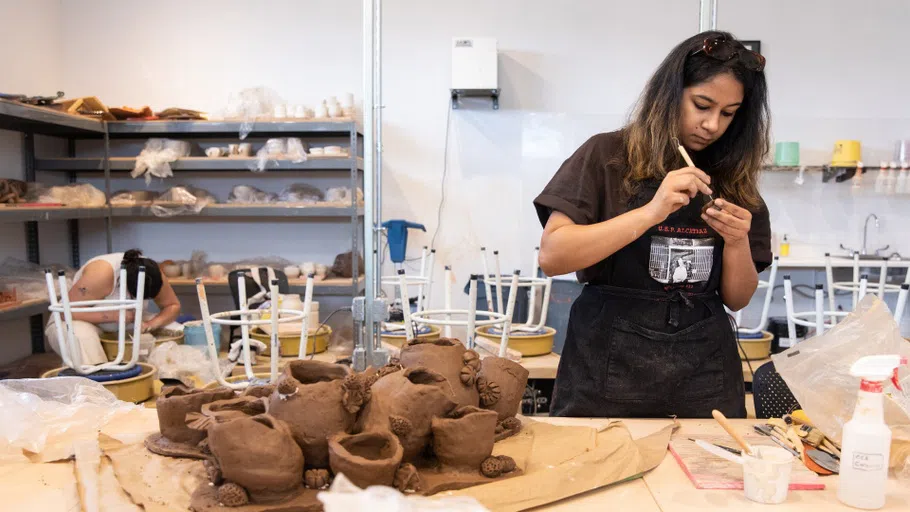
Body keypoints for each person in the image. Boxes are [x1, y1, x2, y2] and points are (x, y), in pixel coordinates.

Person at [534, 31, 772, 418]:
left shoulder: (735, 176)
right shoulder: (607, 155)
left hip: (704, 370)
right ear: (669, 93)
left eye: (728, 113)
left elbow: (738, 298)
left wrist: (736, 242)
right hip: (608, 362)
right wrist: (651, 212)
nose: (712, 124)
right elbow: (553, 255)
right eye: (702, 105)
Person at [46, 249, 181, 365]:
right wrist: (113, 316)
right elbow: (64, 312)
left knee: (176, 329)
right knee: (82, 337)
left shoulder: (151, 273)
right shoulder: (101, 274)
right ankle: (97, 387)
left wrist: (150, 324)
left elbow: (172, 305)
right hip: (78, 319)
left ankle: (161, 379)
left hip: (127, 320)